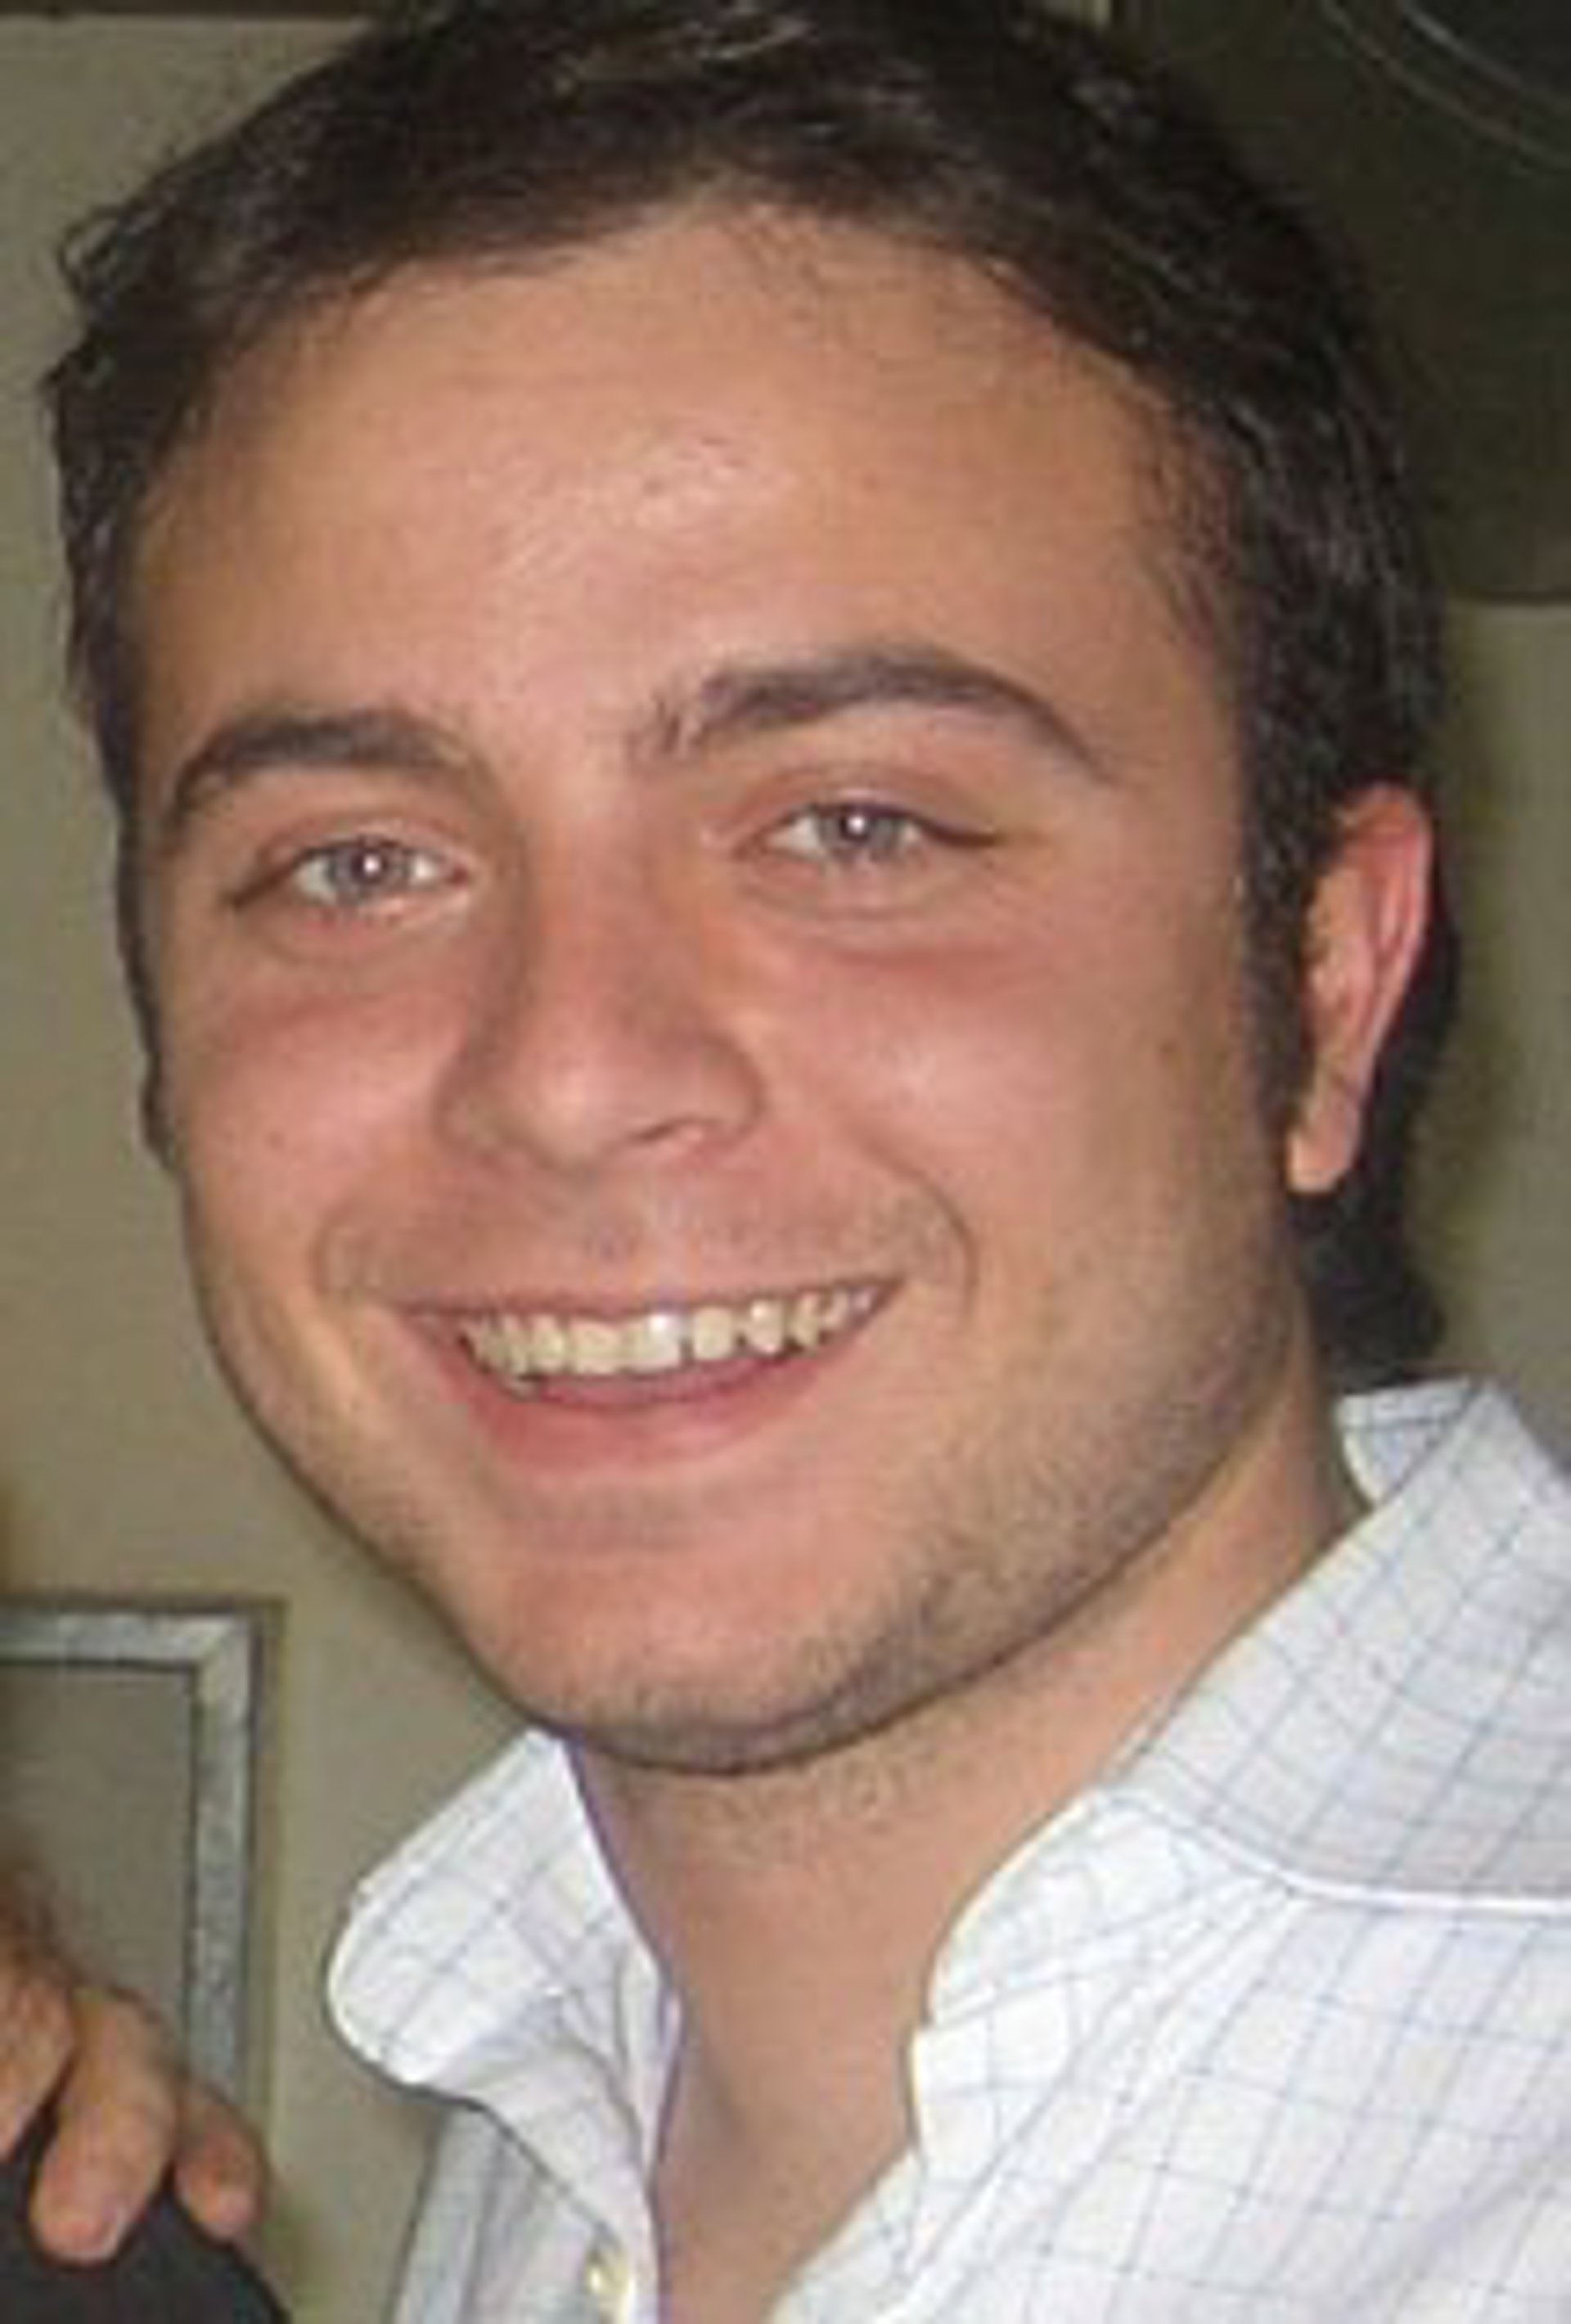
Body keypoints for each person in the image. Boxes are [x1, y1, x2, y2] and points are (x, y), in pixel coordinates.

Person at [14, 0, 1571, 2312]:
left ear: (1327, 982)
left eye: (858, 826)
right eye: (358, 864)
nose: (567, 1070)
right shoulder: (550, 2094)